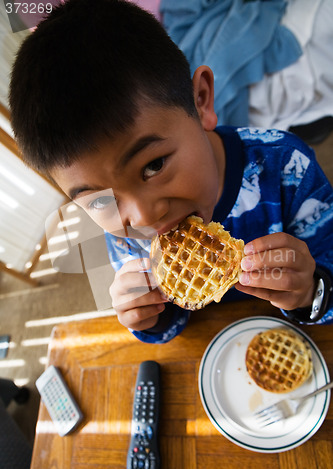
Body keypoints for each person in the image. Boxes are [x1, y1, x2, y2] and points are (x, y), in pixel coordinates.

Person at [9, 0, 333, 344]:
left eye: (153, 165)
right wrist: (147, 319)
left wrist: (310, 292)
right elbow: (172, 325)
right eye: (101, 202)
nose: (144, 215)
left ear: (202, 100)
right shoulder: (124, 238)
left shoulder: (286, 166)